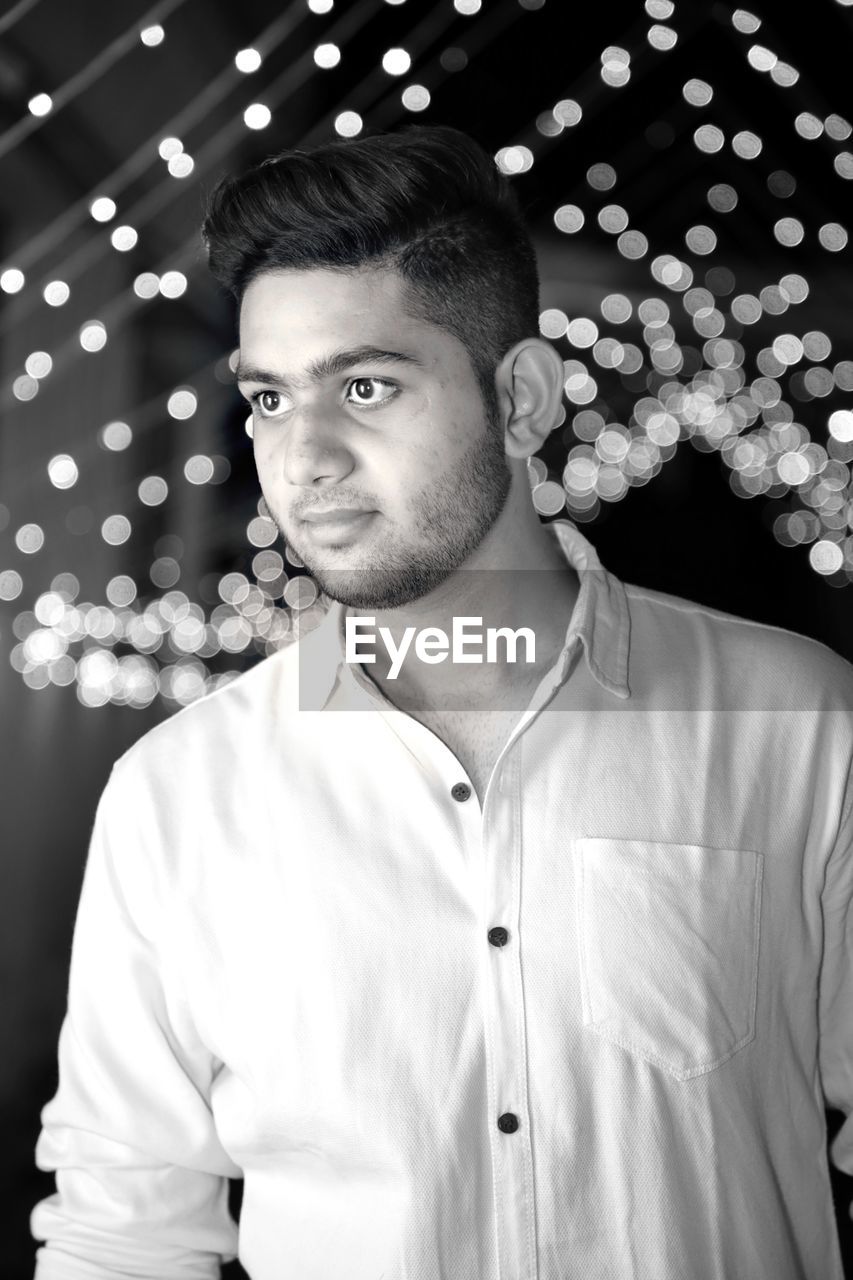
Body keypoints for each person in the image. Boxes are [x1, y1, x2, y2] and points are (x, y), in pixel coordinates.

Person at [31, 124, 853, 1280]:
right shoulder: (177, 794)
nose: (301, 457)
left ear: (519, 398)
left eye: (364, 386)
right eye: (269, 398)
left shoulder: (799, 723)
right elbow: (121, 1235)